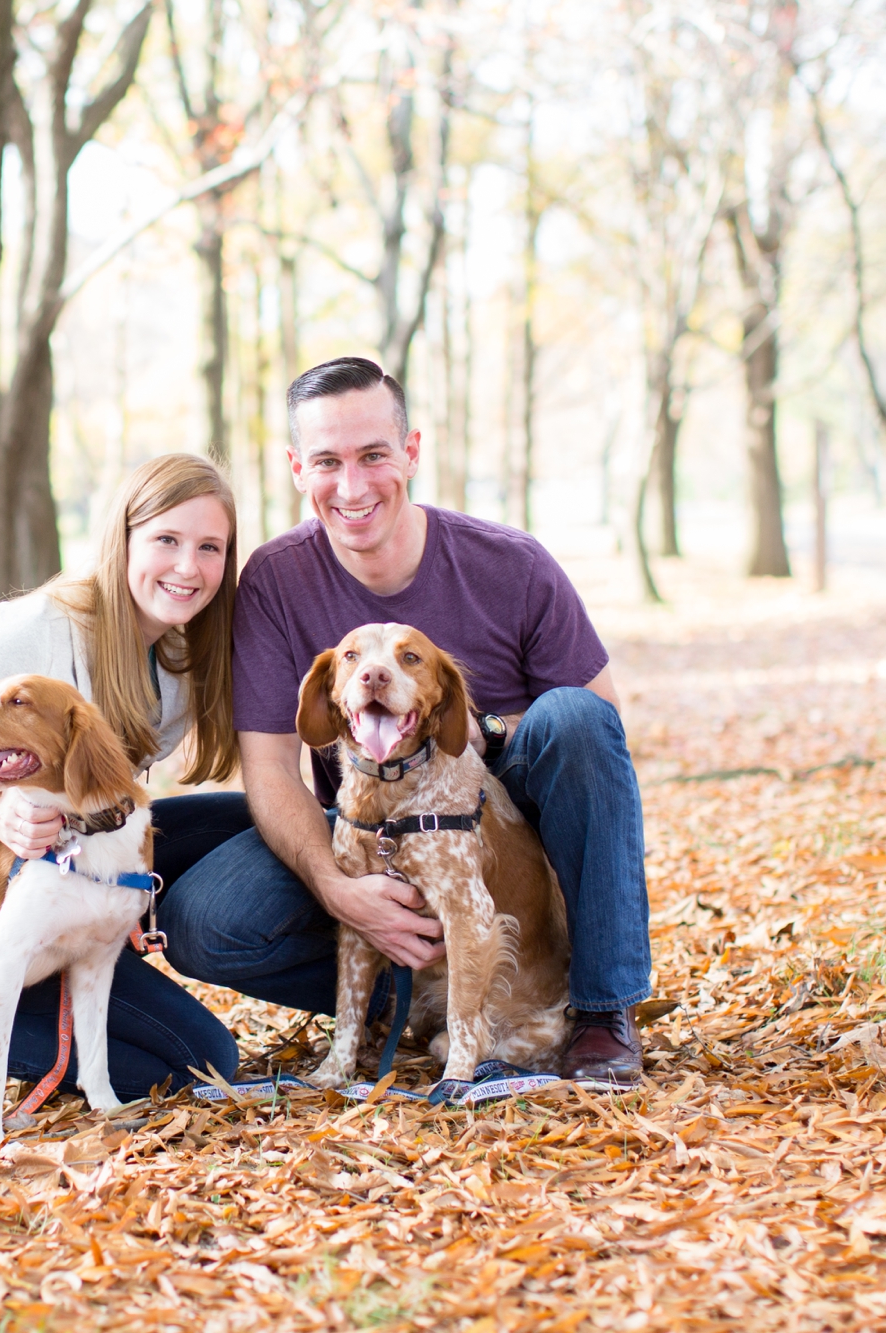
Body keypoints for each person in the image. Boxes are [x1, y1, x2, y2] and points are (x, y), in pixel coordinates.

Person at [159, 356, 653, 1087]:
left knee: (574, 716)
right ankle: (413, 993)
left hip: (502, 806)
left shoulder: (511, 565)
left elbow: (600, 735)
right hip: (365, 816)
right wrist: (336, 885)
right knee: (205, 919)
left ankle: (599, 1008)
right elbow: (268, 766)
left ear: (412, 452)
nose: (352, 487)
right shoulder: (275, 580)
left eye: (373, 456)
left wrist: (477, 741)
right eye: (327, 461)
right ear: (298, 468)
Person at [0, 453, 248, 1100]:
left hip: (76, 868)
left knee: (237, 819)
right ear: (122, 538)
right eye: (167, 540)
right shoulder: (38, 629)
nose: (188, 567)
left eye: (210, 547)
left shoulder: (180, 662)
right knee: (200, 1061)